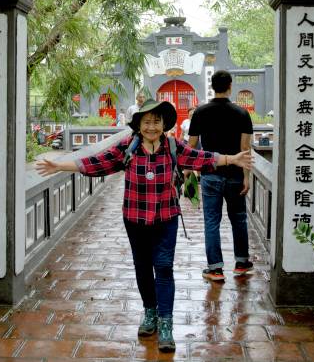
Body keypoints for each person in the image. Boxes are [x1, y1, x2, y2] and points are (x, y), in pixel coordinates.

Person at [35, 99, 252, 352]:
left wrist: (232, 159)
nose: (152, 126)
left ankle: (166, 323)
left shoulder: (172, 146)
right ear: (138, 124)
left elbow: (201, 158)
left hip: (166, 218)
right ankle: (150, 311)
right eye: (146, 121)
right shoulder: (128, 147)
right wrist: (60, 165)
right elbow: (97, 162)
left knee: (163, 267)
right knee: (142, 267)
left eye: (156, 121)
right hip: (135, 219)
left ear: (163, 124)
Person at [188, 70, 254, 282]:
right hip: (235, 175)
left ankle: (215, 269)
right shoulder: (242, 113)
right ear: (230, 86)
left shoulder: (200, 112)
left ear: (212, 86)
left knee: (212, 221)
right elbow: (245, 149)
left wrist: (188, 172)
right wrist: (246, 177)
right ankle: (242, 263)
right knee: (239, 219)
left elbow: (191, 146)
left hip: (210, 174)